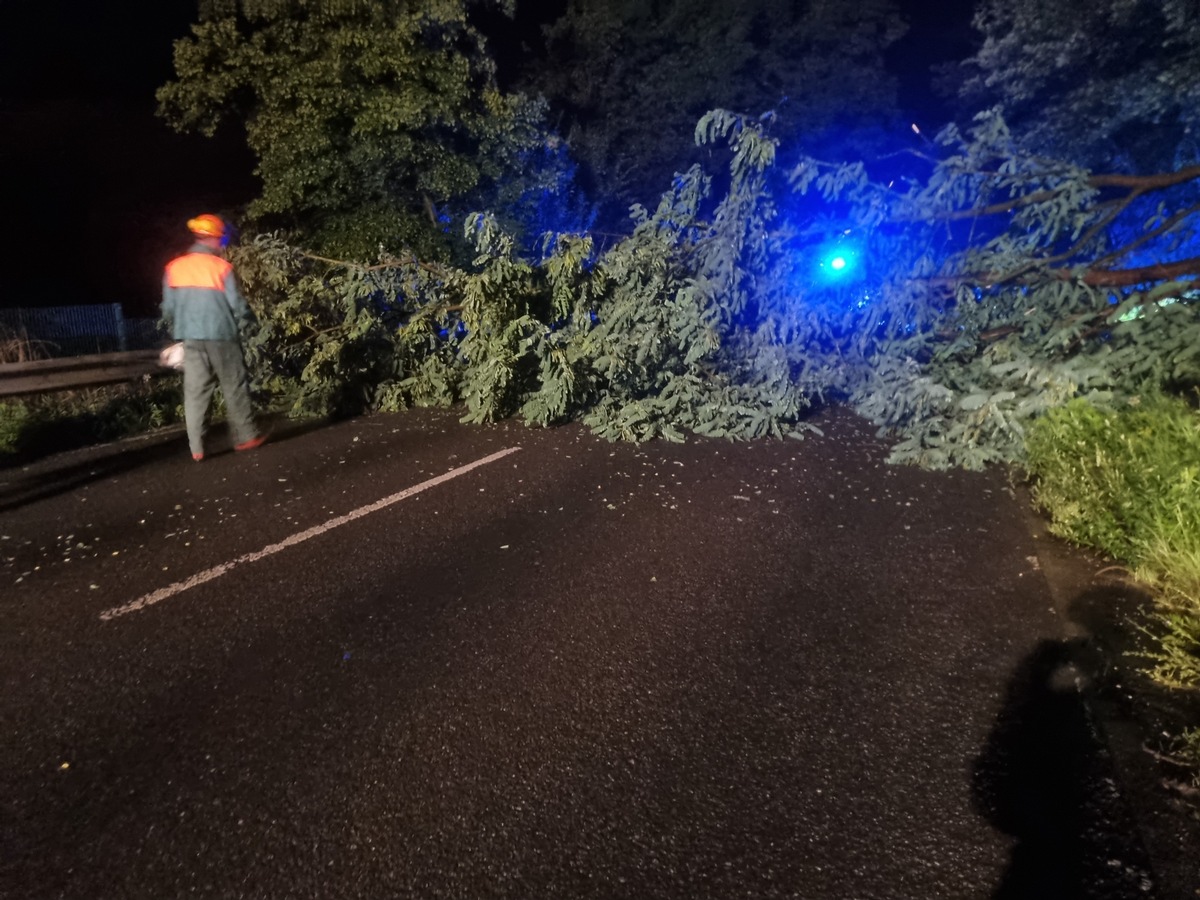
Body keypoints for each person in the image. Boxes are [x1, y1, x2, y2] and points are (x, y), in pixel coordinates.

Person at [161, 214, 266, 461]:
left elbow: (168, 309)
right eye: (221, 239)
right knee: (234, 385)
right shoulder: (221, 268)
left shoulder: (174, 267)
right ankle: (246, 436)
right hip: (222, 335)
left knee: (196, 392)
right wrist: (248, 324)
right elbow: (237, 305)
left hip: (191, 339)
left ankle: (197, 448)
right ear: (214, 239)